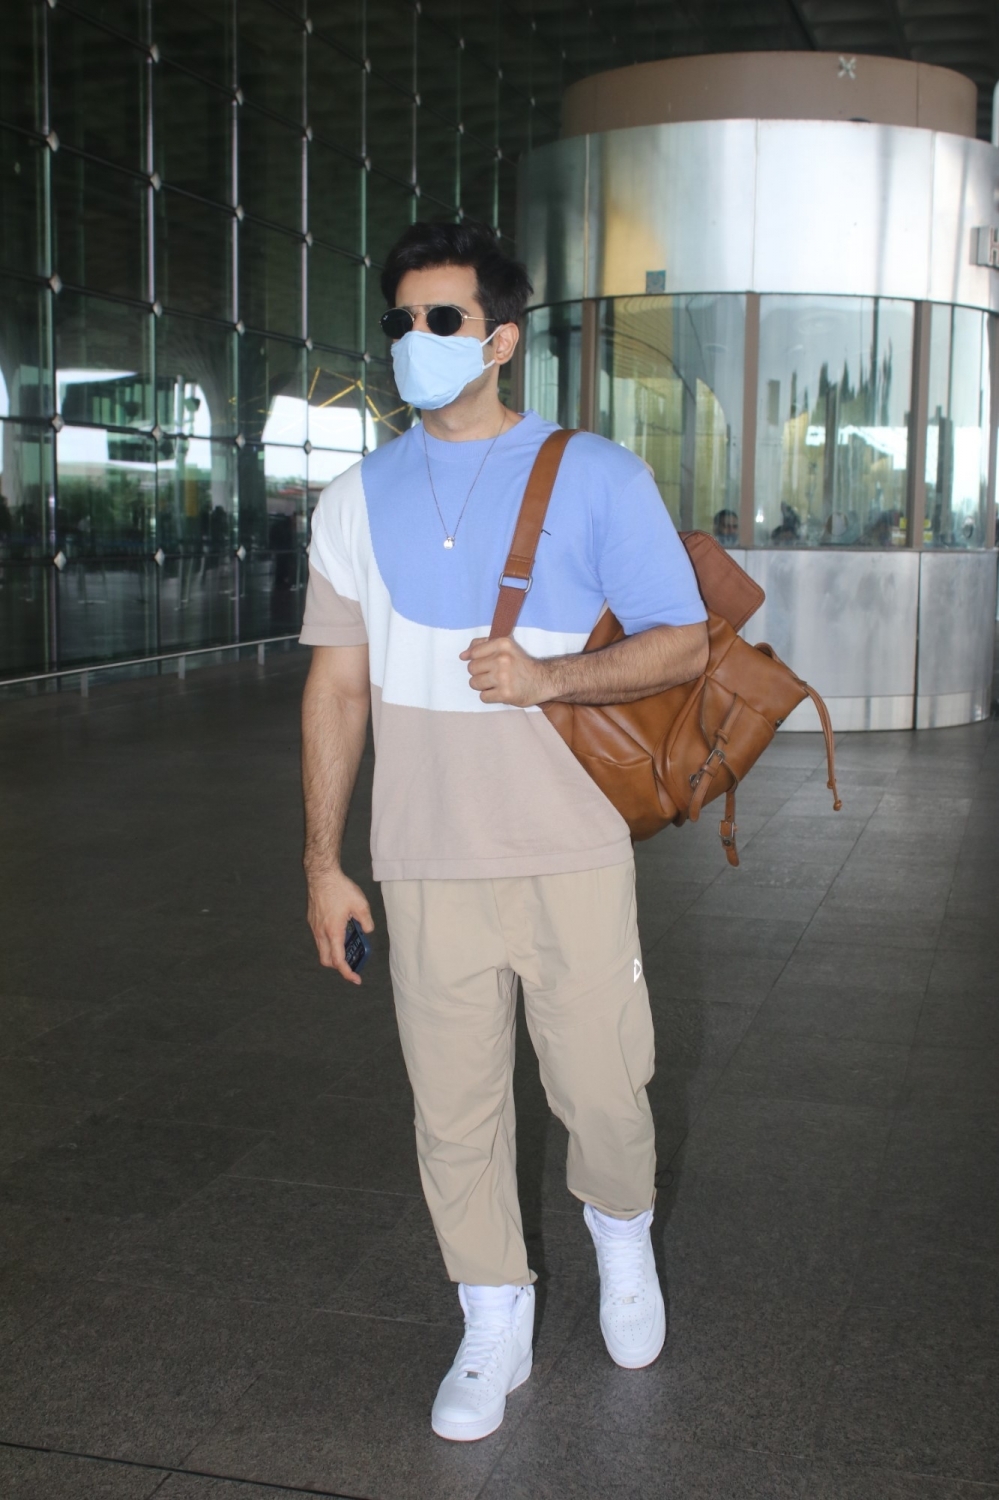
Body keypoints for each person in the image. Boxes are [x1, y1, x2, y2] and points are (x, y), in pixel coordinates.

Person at [299, 221, 709, 1443]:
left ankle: (622, 1240)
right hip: (423, 862)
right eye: (400, 323)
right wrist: (325, 863)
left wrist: (551, 683)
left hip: (572, 849)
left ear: (502, 340)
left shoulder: (598, 476)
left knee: (605, 1089)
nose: (415, 344)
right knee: (453, 1107)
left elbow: (680, 640)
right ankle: (494, 1316)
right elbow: (334, 689)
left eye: (441, 321)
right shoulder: (351, 502)